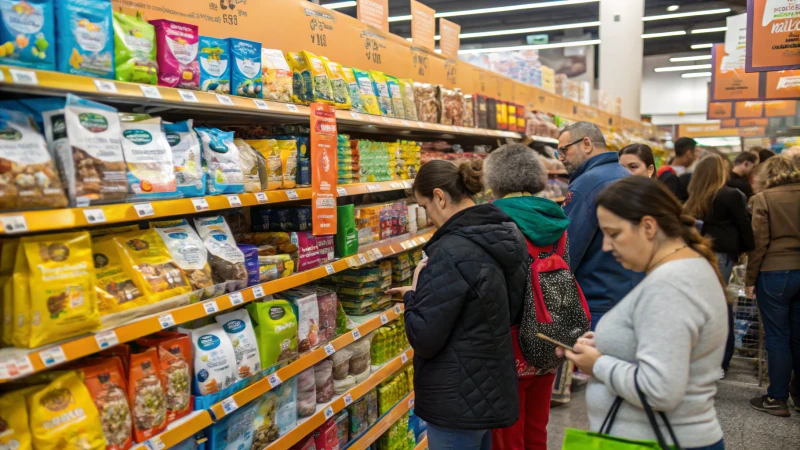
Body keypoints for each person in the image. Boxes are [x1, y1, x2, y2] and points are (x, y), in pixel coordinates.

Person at [560, 176, 727, 450]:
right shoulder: (685, 268)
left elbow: (660, 390)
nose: (606, 246)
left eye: (614, 234)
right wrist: (605, 344)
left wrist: (598, 364)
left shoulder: (670, 284)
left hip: (657, 440)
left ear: (648, 226)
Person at [390, 159, 528, 450]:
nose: (428, 218)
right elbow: (510, 309)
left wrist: (413, 294)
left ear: (439, 196)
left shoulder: (451, 250)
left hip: (455, 399)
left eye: (425, 207)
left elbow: (425, 338)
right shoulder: (504, 233)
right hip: (488, 388)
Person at [483, 144, 571, 450]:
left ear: (494, 179)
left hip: (511, 337)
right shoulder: (556, 217)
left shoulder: (495, 220)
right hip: (550, 333)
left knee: (509, 431)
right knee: (537, 424)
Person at [557, 122, 643, 328]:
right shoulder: (626, 177)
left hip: (596, 300)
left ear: (586, 144)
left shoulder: (587, 184)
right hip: (628, 293)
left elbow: (569, 247)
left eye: (564, 150)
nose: (561, 158)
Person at [684, 154, 754, 377]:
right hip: (721, 255)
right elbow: (744, 225)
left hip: (696, 254)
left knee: (699, 306)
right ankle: (721, 360)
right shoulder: (731, 195)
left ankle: (699, 357)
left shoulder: (693, 198)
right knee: (720, 307)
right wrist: (748, 248)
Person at [746, 155, 800, 417]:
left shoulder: (764, 199)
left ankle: (776, 398)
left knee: (778, 337)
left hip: (774, 272)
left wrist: (749, 280)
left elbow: (759, 244)